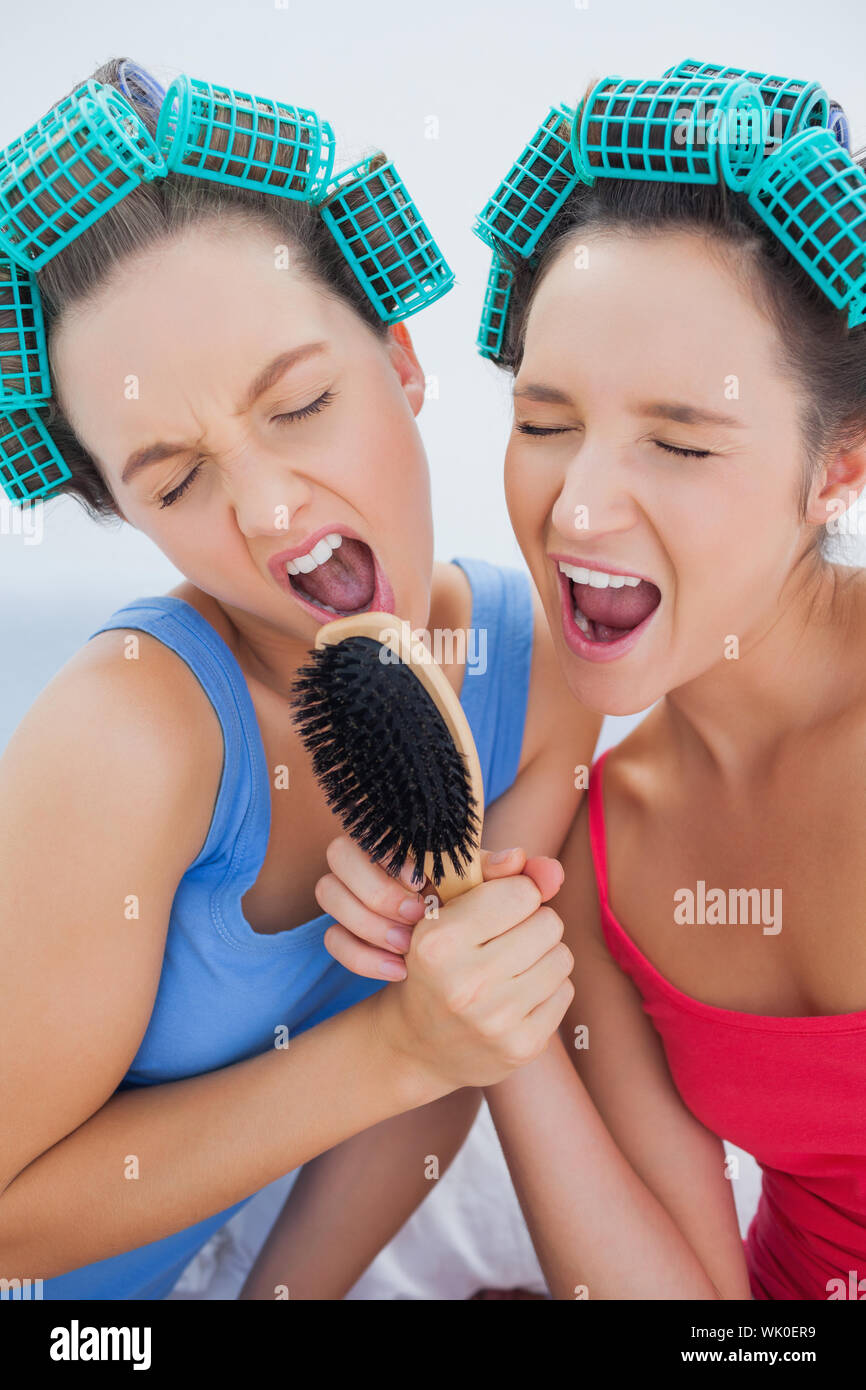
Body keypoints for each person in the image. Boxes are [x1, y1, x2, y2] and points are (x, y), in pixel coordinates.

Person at [0, 56, 600, 1299]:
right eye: (172, 482)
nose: (269, 508)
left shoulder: (533, 681)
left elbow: (452, 1064)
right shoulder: (130, 736)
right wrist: (399, 1041)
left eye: (303, 403)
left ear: (400, 356)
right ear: (124, 513)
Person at [321, 63, 866, 1299]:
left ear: (838, 465)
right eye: (544, 417)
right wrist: (472, 984)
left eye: (676, 441)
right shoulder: (592, 852)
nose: (573, 507)